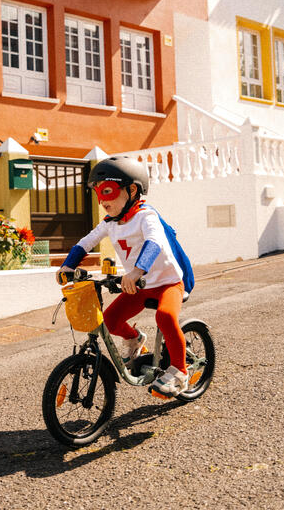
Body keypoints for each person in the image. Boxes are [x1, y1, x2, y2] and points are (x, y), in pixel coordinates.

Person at [56, 156, 188, 397]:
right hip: (138, 287)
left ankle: (180, 372)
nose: (102, 200)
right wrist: (68, 266)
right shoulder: (110, 223)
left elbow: (154, 241)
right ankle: (136, 339)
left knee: (166, 316)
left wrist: (137, 270)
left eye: (108, 191)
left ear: (132, 190)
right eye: (98, 193)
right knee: (110, 320)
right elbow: (86, 243)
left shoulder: (146, 216)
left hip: (167, 283)